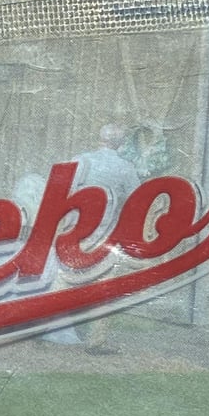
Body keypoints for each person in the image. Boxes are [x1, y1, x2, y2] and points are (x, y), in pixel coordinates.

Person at [70, 123, 141, 357]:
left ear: (99, 139)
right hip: (105, 233)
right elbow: (137, 200)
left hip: (75, 230)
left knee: (67, 278)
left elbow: (63, 192)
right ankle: (96, 340)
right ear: (121, 144)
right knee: (105, 285)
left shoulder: (80, 160)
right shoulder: (126, 168)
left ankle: (43, 328)